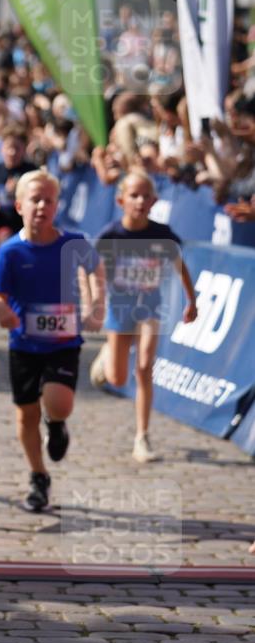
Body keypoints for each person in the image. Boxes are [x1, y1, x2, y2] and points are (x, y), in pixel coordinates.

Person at [0, 170, 105, 512]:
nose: (41, 206)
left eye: (48, 200)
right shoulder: (10, 252)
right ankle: (38, 476)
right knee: (25, 416)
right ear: (20, 205)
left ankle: (56, 424)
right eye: (34, 200)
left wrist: (97, 303)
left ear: (57, 206)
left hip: (64, 342)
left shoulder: (74, 243)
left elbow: (96, 270)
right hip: (23, 344)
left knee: (59, 403)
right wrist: (3, 312)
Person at [90, 170, 198, 462]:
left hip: (150, 306)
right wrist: (95, 299)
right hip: (120, 308)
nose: (139, 201)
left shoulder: (162, 234)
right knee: (116, 376)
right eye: (133, 195)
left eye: (145, 196)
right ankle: (109, 350)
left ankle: (142, 437)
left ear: (154, 201)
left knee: (144, 367)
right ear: (121, 199)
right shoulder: (111, 234)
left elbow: (181, 267)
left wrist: (192, 300)